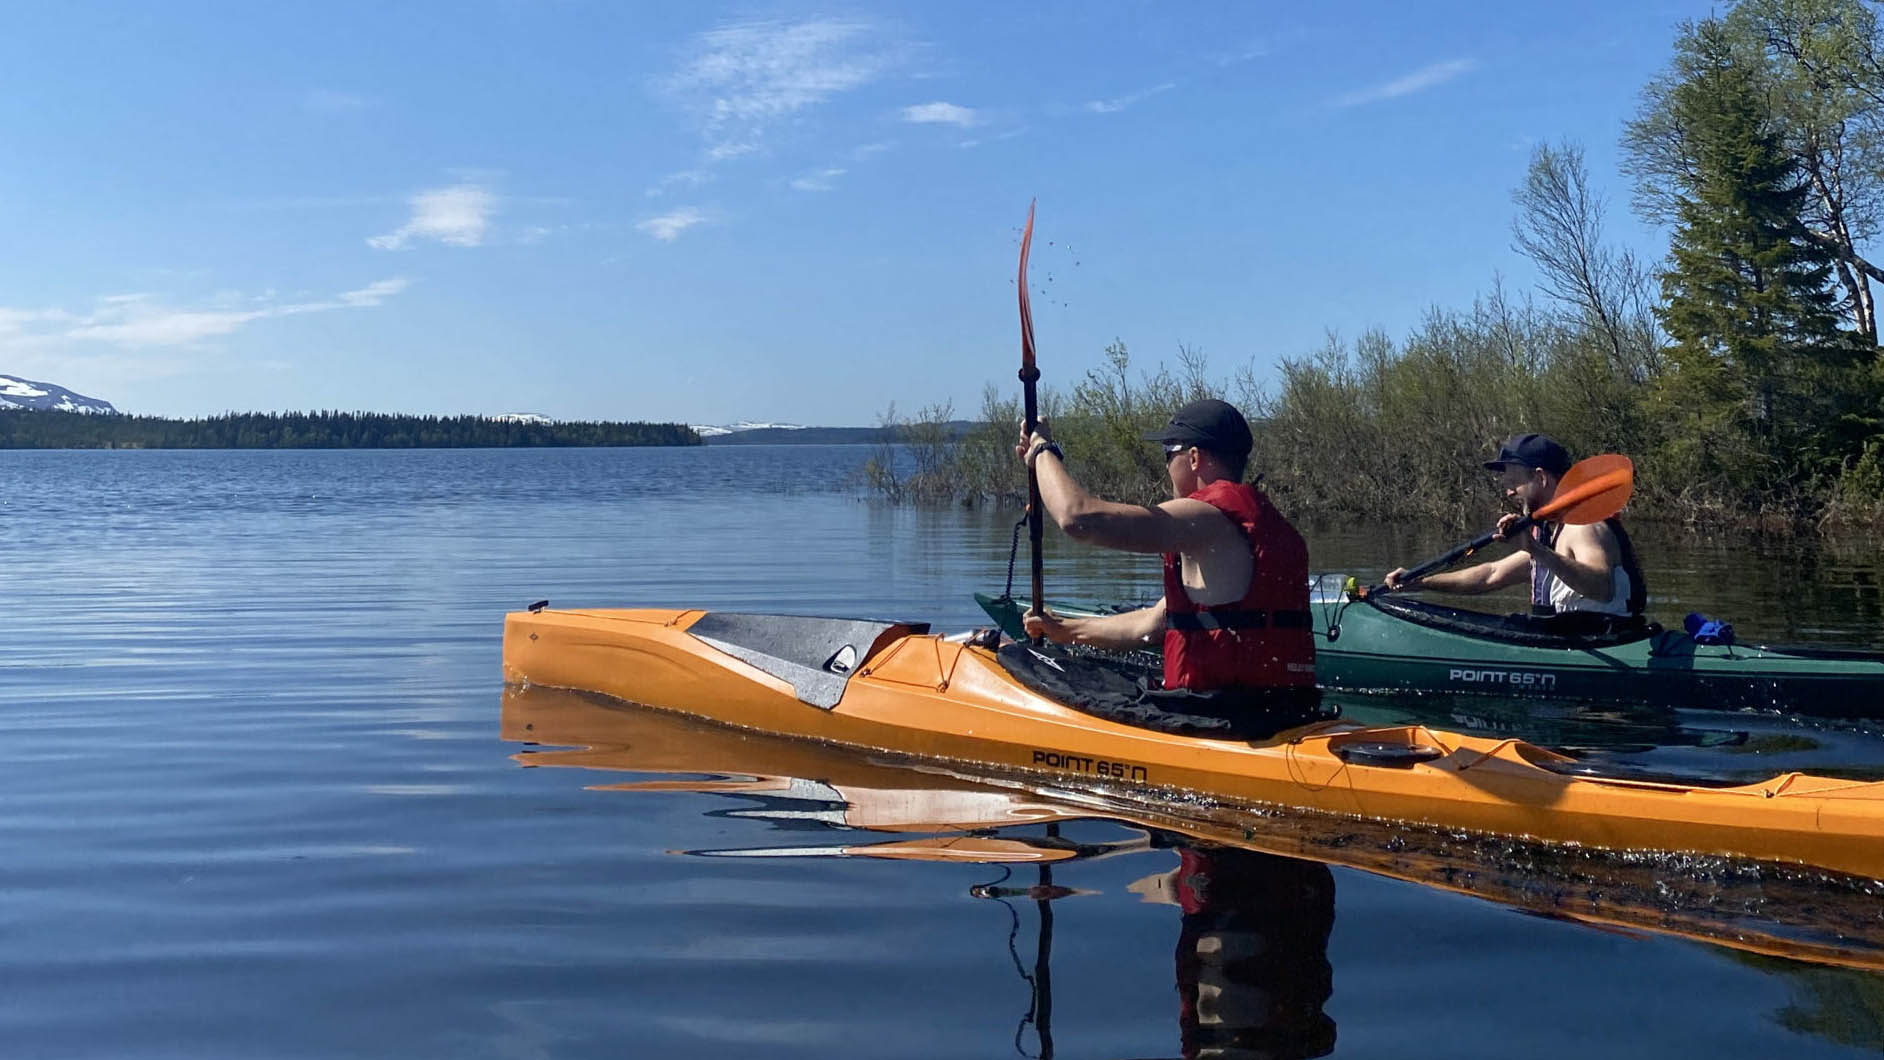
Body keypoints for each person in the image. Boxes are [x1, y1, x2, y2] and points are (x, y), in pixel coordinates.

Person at [1016, 398, 1316, 697]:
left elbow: (1077, 518)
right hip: (1277, 710)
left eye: (1168, 453)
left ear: (1195, 457)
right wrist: (1065, 630)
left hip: (1222, 718)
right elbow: (1151, 623)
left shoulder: (1208, 519)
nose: (1166, 465)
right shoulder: (1261, 520)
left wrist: (1043, 451)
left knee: (1017, 661)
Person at [1383, 433, 1646, 631]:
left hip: (1603, 641)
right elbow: (1490, 575)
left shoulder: (1583, 527)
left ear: (1541, 478)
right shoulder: (1551, 534)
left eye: (1514, 481)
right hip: (1565, 639)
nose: (1508, 490)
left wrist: (1534, 550)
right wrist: (1417, 582)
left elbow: (1602, 588)